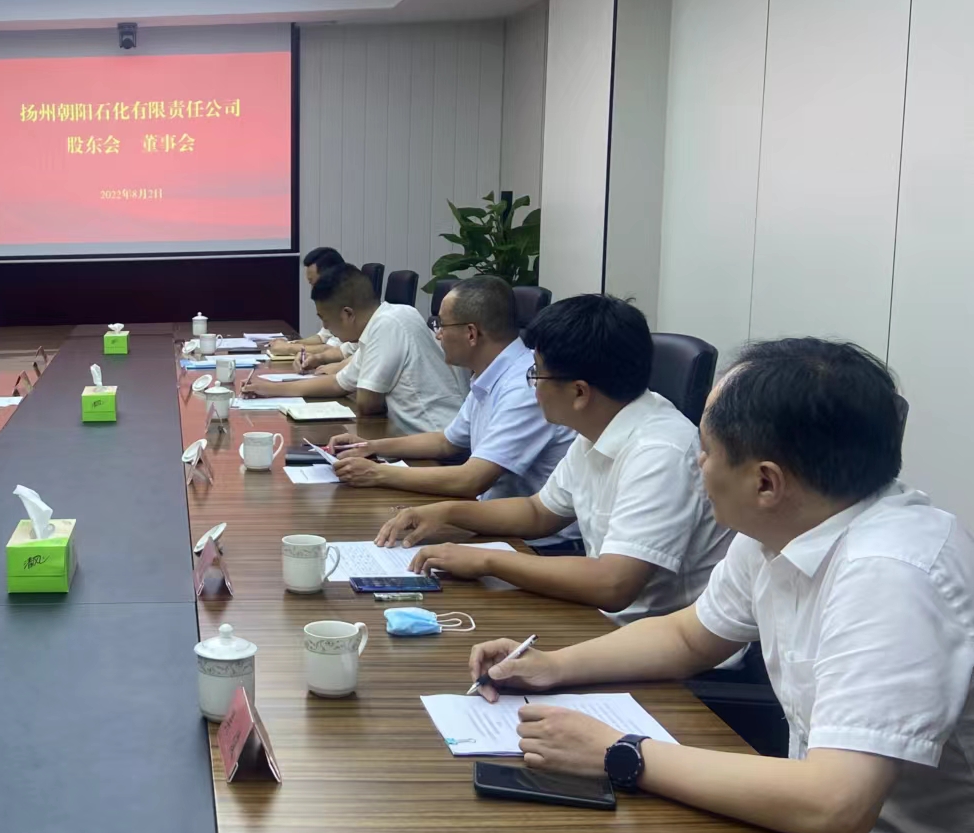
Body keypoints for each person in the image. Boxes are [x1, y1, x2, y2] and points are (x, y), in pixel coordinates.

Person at [468, 338, 974, 833]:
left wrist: (619, 752)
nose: (696, 463)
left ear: (766, 482)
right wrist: (551, 666)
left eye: (705, 450)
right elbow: (689, 635)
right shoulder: (785, 526)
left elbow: (836, 804)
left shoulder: (892, 574)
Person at [378, 293, 730, 623]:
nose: (533, 386)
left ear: (579, 392)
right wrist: (447, 513)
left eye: (537, 373)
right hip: (602, 621)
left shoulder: (660, 452)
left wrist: (486, 560)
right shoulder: (598, 427)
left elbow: (613, 584)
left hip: (653, 644)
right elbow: (539, 512)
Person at [329, 275, 576, 505]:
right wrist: (370, 446)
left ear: (471, 333)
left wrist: (377, 473)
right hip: (491, 513)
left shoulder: (525, 386)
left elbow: (471, 480)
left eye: (442, 325)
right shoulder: (491, 374)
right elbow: (446, 441)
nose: (437, 335)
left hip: (529, 533)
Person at [256, 262, 466, 434]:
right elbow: (338, 383)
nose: (326, 327)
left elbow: (367, 403)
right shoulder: (379, 324)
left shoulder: (388, 323)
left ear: (348, 314)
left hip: (435, 439)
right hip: (412, 436)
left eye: (326, 319)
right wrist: (271, 389)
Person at [268, 246, 353, 368]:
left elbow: (335, 349)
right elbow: (322, 337)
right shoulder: (333, 301)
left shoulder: (349, 303)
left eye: (314, 283)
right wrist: (291, 343)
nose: (313, 289)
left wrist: (288, 348)